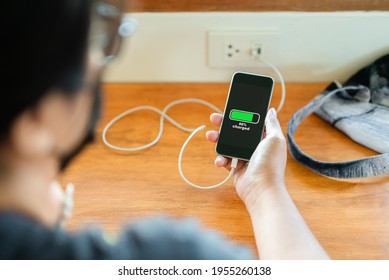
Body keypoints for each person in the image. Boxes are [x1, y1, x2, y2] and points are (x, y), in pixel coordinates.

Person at [0, 0, 329, 259]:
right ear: (34, 122)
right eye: (96, 41)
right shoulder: (173, 257)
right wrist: (265, 190)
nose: (98, 62)